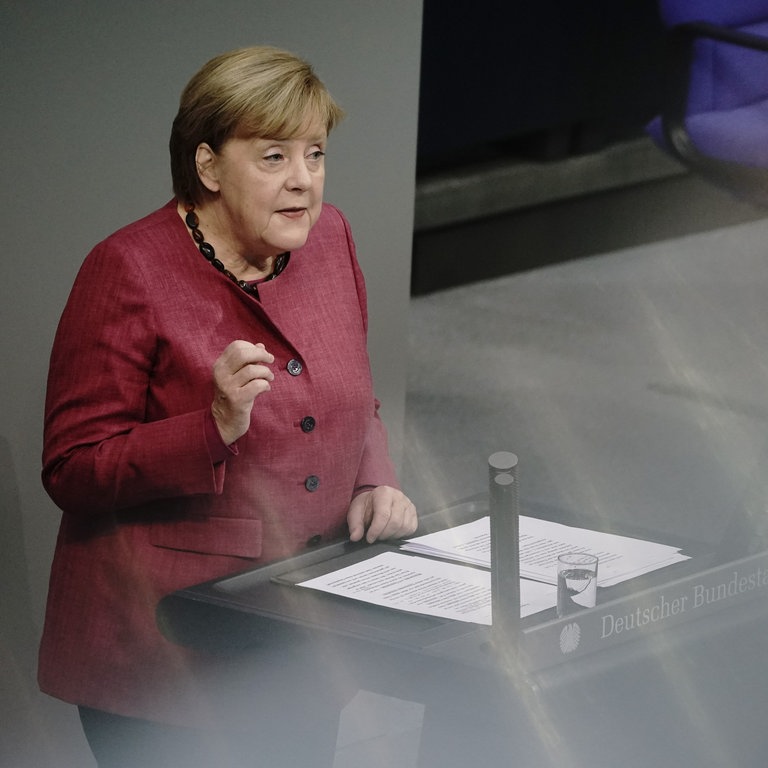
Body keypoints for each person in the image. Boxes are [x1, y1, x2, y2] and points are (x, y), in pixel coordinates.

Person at [38, 45, 417, 767]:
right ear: (208, 166)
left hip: (298, 631)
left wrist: (377, 478)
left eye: (315, 153)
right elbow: (71, 468)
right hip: (166, 649)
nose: (303, 181)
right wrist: (209, 429)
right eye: (273, 157)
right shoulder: (126, 270)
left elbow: (352, 395)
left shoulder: (330, 238)